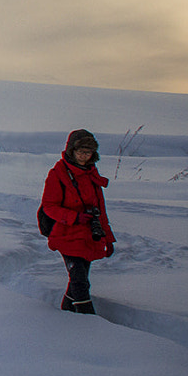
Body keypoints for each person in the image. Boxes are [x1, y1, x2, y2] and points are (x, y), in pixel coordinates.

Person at [41, 129, 116, 314]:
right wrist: (74, 217)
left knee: (80, 279)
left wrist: (108, 238)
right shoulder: (57, 174)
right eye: (80, 151)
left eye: (88, 152)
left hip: (89, 236)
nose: (84, 156)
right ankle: (88, 322)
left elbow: (100, 211)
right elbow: (49, 206)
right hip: (66, 234)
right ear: (71, 151)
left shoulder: (92, 175)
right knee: (79, 280)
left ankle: (66, 311)